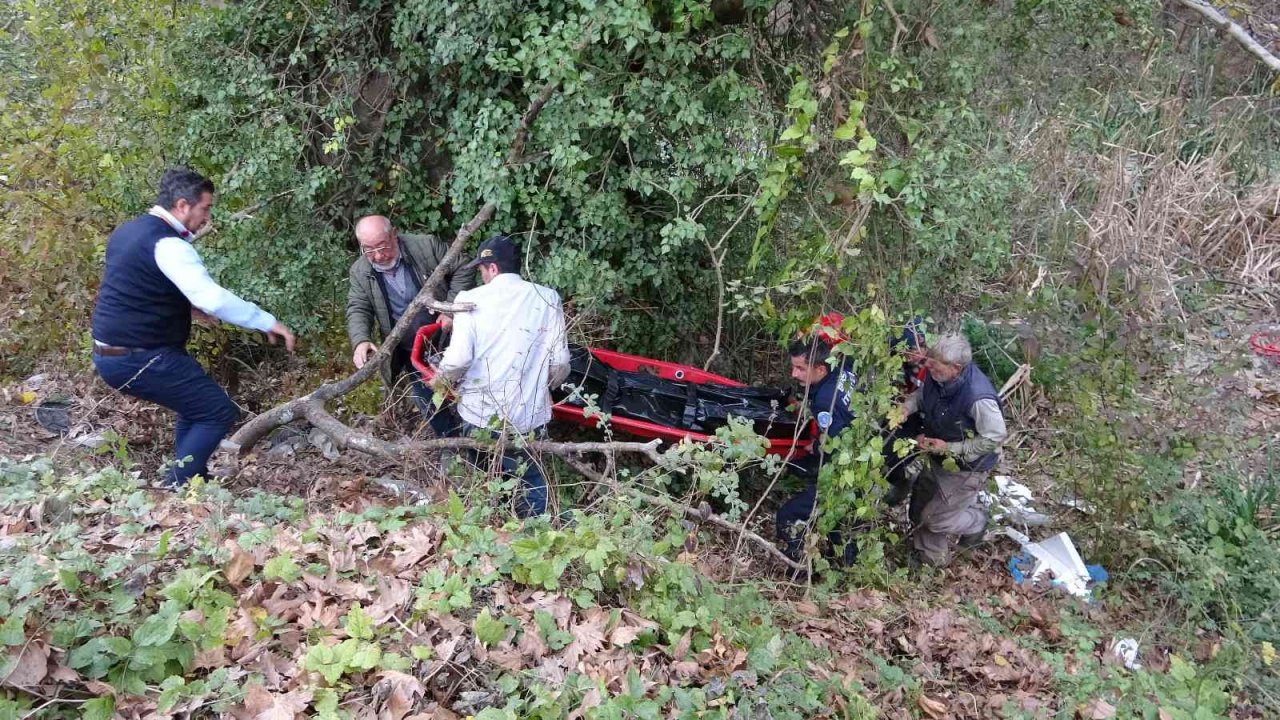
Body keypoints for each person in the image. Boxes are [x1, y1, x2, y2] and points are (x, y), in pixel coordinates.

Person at [90, 167, 296, 489]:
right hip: (139, 356)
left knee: (195, 405)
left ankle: (191, 478)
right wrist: (266, 321)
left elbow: (136, 285)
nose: (207, 218)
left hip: (113, 354)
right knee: (215, 411)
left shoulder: (128, 232)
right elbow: (213, 297)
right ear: (183, 205)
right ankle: (177, 485)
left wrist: (187, 307)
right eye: (205, 208)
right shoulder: (169, 245)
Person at [431, 235, 571, 518]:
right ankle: (539, 532)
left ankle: (498, 521)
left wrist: (440, 381)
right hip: (529, 415)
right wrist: (539, 387)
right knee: (531, 475)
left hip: (480, 414)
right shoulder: (548, 298)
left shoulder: (469, 299)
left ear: (492, 268)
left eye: (481, 270)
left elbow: (458, 359)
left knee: (487, 472)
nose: (481, 276)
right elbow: (561, 363)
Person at [345, 215, 474, 437]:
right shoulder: (360, 271)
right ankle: (451, 445)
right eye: (368, 250)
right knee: (429, 401)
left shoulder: (425, 246)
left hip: (451, 337)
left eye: (382, 247)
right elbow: (358, 307)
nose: (377, 255)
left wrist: (450, 308)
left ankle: (484, 442)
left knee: (472, 389)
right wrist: (361, 340)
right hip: (410, 351)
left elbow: (464, 267)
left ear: (394, 234)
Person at [898, 333, 1008, 567]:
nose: (926, 366)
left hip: (966, 467)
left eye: (933, 365)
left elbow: (995, 436)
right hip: (935, 452)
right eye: (928, 361)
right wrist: (907, 408)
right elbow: (922, 394)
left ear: (955, 368)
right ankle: (930, 558)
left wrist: (950, 448)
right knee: (920, 507)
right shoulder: (937, 374)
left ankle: (977, 521)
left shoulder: (978, 397)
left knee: (936, 519)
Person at [775, 336, 859, 566]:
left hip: (843, 471)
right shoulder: (845, 364)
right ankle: (844, 567)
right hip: (861, 461)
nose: (794, 374)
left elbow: (837, 446)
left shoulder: (824, 400)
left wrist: (818, 445)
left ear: (820, 368)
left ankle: (799, 567)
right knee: (837, 526)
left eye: (800, 369)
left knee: (787, 516)